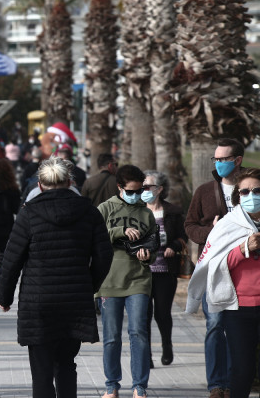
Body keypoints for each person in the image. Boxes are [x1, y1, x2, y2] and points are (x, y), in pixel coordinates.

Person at [0, 157, 113, 398]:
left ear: (39, 185)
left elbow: (11, 259)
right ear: (70, 182)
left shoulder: (30, 214)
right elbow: (104, 255)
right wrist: (89, 285)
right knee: (66, 364)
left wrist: (5, 296)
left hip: (37, 301)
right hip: (75, 300)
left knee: (41, 370)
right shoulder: (89, 212)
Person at [186, 168, 260, 397]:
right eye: (245, 191)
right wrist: (243, 248)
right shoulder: (228, 224)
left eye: (256, 190)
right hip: (238, 309)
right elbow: (214, 264)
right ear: (238, 195)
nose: (251, 195)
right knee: (242, 370)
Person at [184, 138, 243, 397]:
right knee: (215, 325)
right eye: (216, 159)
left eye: (223, 159)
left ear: (238, 160)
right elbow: (190, 226)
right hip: (214, 269)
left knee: (240, 327)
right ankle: (217, 384)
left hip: (245, 268)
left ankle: (237, 381)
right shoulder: (205, 191)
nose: (218, 164)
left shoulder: (251, 189)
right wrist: (212, 231)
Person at [95, 164, 156, 398]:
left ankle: (139, 385)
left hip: (139, 279)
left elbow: (154, 244)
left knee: (139, 332)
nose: (136, 195)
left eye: (140, 190)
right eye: (131, 191)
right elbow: (94, 237)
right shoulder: (105, 208)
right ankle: (112, 384)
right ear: (120, 188)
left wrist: (149, 254)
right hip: (109, 280)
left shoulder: (146, 212)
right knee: (111, 336)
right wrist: (119, 231)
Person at [142, 170, 187, 368]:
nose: (144, 191)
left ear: (159, 189)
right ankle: (147, 354)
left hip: (165, 271)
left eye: (148, 187)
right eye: (142, 187)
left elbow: (182, 237)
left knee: (162, 313)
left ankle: (167, 345)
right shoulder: (137, 210)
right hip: (142, 272)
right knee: (143, 315)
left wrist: (174, 247)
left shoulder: (173, 212)